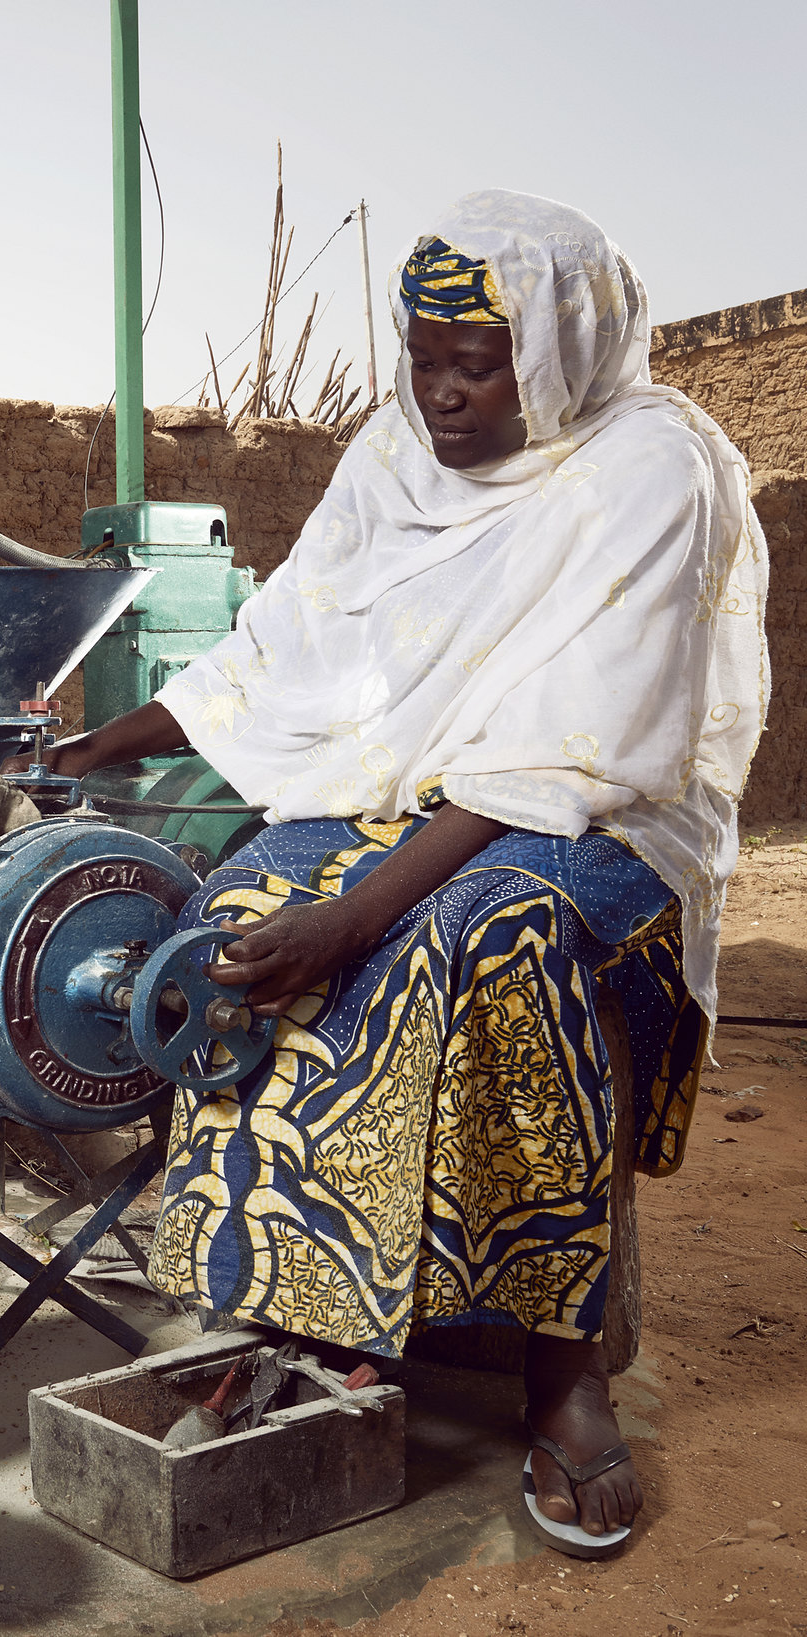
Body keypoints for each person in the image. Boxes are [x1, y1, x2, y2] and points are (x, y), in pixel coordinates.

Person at [46, 191, 765, 1555]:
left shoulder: (654, 468)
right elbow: (285, 647)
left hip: (602, 812)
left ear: (558, 346)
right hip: (413, 782)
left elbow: (578, 747)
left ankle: (562, 1377)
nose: (438, 392)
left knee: (489, 944)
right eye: (421, 354)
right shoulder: (396, 453)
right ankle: (289, 1302)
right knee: (238, 914)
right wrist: (96, 745)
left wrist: (359, 914)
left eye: (474, 362)